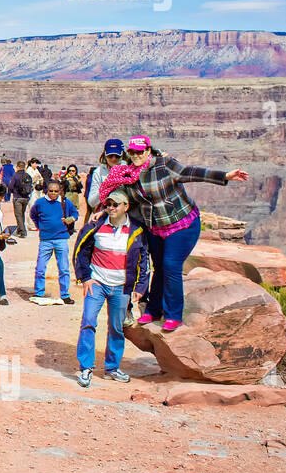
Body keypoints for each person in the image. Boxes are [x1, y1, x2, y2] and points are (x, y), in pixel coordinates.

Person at [101, 136, 248, 331]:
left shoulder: (164, 165)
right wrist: (101, 213)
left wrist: (224, 176)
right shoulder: (128, 174)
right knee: (159, 267)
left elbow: (190, 172)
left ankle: (174, 315)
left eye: (140, 151)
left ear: (148, 151)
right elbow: (122, 200)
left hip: (182, 224)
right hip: (156, 227)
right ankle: (154, 310)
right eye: (132, 152)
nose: (136, 155)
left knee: (171, 265)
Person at [72, 190, 149, 388]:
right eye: (108, 204)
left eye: (116, 204)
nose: (111, 208)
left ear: (126, 207)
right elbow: (81, 251)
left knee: (116, 328)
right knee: (88, 322)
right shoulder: (95, 226)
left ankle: (112, 368)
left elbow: (143, 260)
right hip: (97, 283)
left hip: (121, 288)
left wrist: (140, 287)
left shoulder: (137, 231)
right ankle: (86, 368)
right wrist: (85, 278)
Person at [28, 178, 79, 304]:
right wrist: (41, 226)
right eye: (51, 191)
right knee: (40, 267)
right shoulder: (40, 203)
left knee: (64, 268)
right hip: (45, 240)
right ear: (47, 191)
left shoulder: (65, 202)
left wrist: (71, 219)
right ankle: (39, 292)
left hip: (61, 239)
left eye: (56, 191)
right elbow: (33, 214)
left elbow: (75, 213)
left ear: (59, 191)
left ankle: (65, 294)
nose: (53, 193)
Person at [85, 138, 125, 218]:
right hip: (103, 213)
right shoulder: (99, 172)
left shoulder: (128, 170)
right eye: (110, 156)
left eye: (117, 156)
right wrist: (105, 187)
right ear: (105, 155)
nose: (113, 159)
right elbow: (92, 202)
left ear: (122, 155)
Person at [11, 160, 33, 237]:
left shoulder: (15, 176)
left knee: (18, 215)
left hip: (18, 198)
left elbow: (11, 186)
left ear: (17, 167)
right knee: (22, 214)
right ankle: (19, 229)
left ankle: (23, 232)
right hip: (26, 198)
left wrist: (13, 191)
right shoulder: (27, 175)